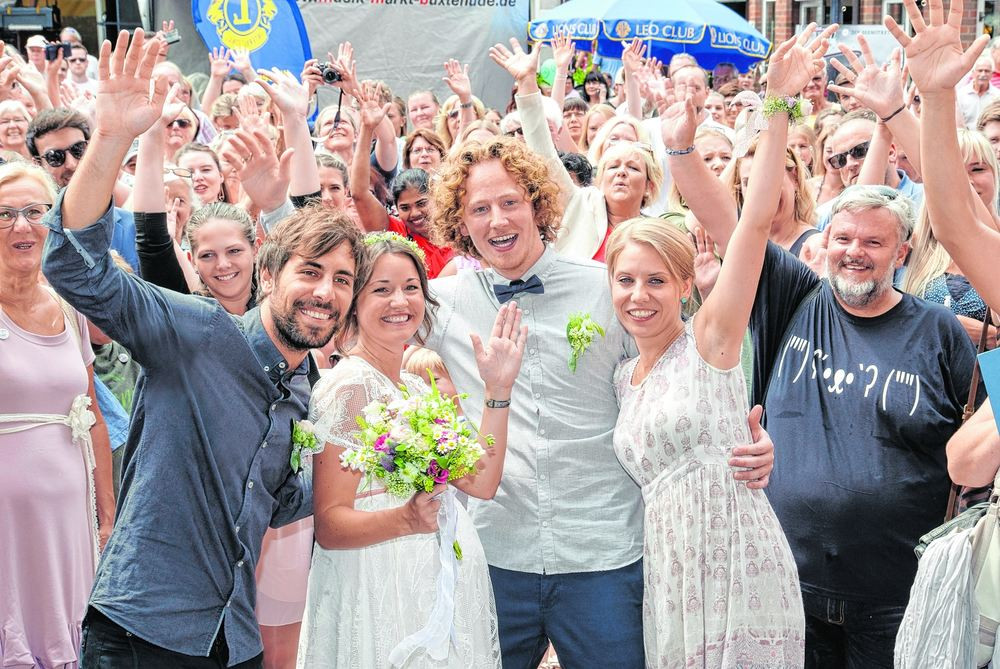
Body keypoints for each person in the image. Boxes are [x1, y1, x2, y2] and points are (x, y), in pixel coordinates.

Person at [41, 30, 366, 667]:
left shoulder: (304, 391)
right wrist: (111, 138)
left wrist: (379, 452)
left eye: (342, 281)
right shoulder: (194, 331)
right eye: (309, 273)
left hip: (233, 638)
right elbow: (75, 267)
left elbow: (277, 504)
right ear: (269, 275)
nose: (324, 293)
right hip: (144, 629)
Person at [425, 134, 776, 667]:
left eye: (510, 202)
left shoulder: (610, 290)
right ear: (461, 221)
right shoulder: (439, 304)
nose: (497, 221)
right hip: (497, 550)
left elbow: (691, 369)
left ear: (539, 205)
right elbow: (364, 349)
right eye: (480, 209)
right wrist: (417, 376)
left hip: (604, 552)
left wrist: (744, 437)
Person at [610, 32, 830, 666]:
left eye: (656, 281)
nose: (639, 296)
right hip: (670, 573)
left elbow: (755, 223)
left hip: (740, 559)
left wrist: (778, 105)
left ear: (686, 286)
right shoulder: (626, 378)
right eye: (625, 281)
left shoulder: (711, 338)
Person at [300, 233, 526, 667]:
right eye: (380, 290)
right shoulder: (348, 388)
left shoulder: (419, 386)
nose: (399, 301)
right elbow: (330, 525)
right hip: (379, 580)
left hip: (438, 575)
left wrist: (499, 389)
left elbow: (480, 482)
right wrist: (405, 518)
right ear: (353, 302)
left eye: (410, 287)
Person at [0, 159, 115, 669]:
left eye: (34, 211)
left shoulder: (69, 306)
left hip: (69, 520)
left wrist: (106, 516)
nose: (21, 225)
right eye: (4, 214)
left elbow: (90, 413)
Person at [492, 40, 663, 261]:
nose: (621, 172)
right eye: (613, 166)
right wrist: (527, 84)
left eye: (633, 167)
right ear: (599, 178)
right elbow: (544, 153)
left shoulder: (658, 233)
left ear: (649, 186)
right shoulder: (579, 205)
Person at [26, 107, 140, 271]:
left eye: (78, 150)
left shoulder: (131, 226)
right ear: (37, 164)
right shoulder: (29, 231)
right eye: (55, 157)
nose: (71, 164)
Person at [957, 56, 1000, 129]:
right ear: (973, 73)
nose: (983, 74)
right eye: (980, 70)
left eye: (987, 71)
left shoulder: (997, 95)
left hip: (988, 138)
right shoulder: (961, 94)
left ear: (992, 74)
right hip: (967, 138)